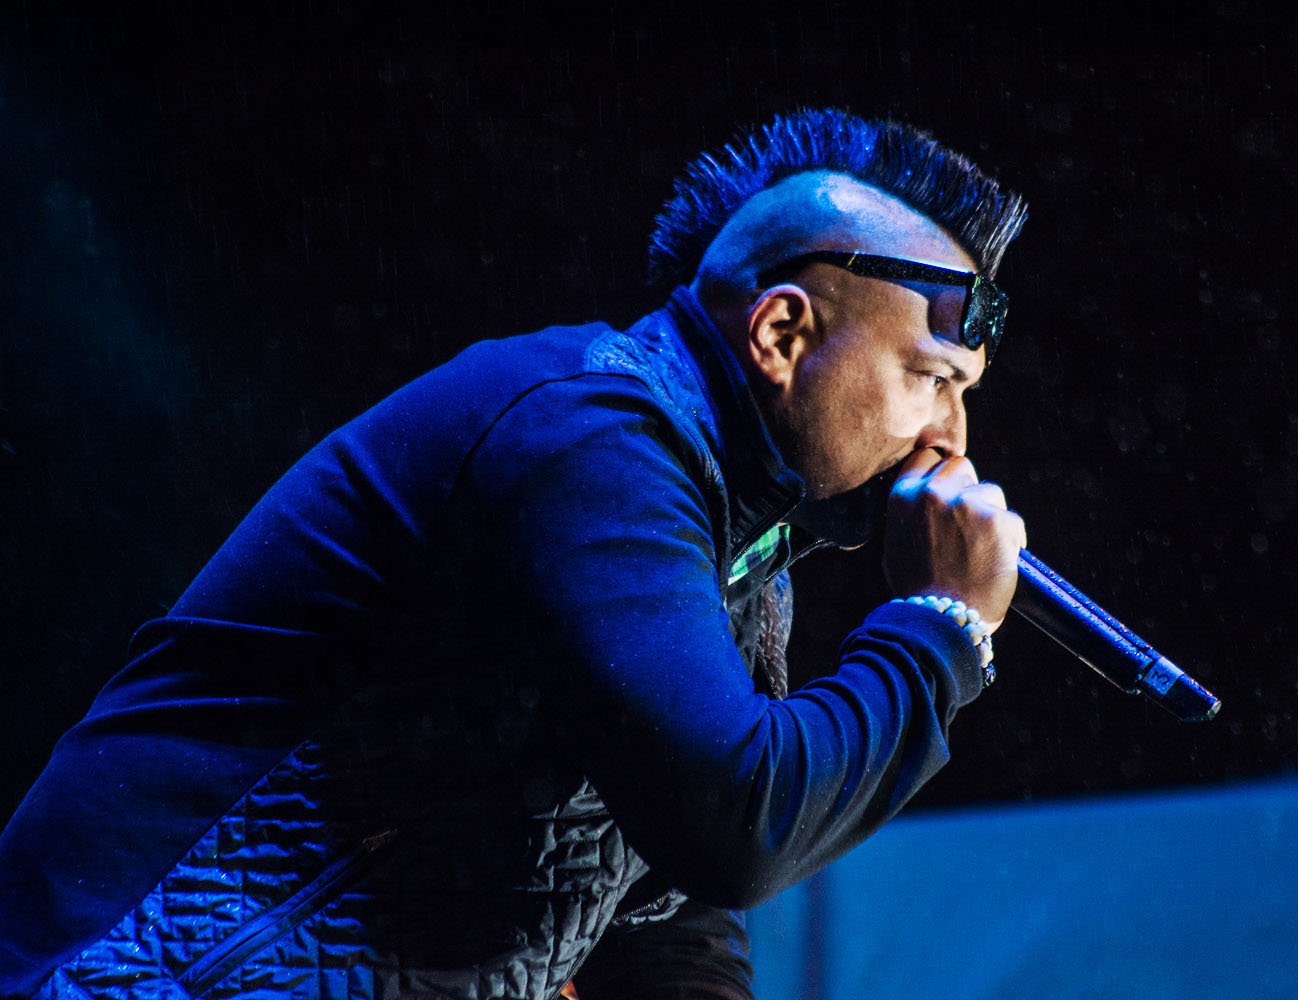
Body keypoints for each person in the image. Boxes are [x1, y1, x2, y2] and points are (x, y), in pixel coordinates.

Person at [0, 108, 1028, 1000]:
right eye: (932, 378)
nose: (952, 439)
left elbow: (662, 903)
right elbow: (734, 818)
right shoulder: (591, 438)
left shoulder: (736, 557)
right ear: (782, 334)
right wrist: (938, 628)